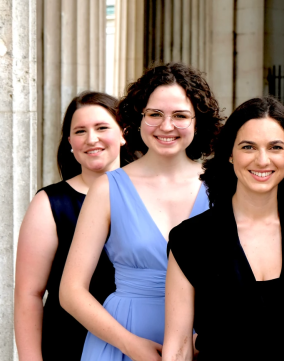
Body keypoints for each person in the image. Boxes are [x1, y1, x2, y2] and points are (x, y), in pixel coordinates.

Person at [60, 63, 223, 361]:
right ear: (138, 118)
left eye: (180, 116)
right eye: (155, 114)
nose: (166, 126)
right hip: (122, 340)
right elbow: (71, 291)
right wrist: (130, 344)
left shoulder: (223, 189)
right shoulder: (108, 189)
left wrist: (212, 337)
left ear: (197, 122)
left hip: (204, 342)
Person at [162, 97, 284, 361]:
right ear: (230, 155)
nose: (262, 159)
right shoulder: (190, 239)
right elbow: (178, 347)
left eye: (275, 147)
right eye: (248, 147)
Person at [15, 91, 125, 361]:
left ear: (124, 133)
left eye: (101, 127)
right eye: (80, 131)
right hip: (68, 345)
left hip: (144, 342)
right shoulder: (49, 203)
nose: (91, 139)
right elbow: (29, 294)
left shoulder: (150, 196)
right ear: (70, 143)